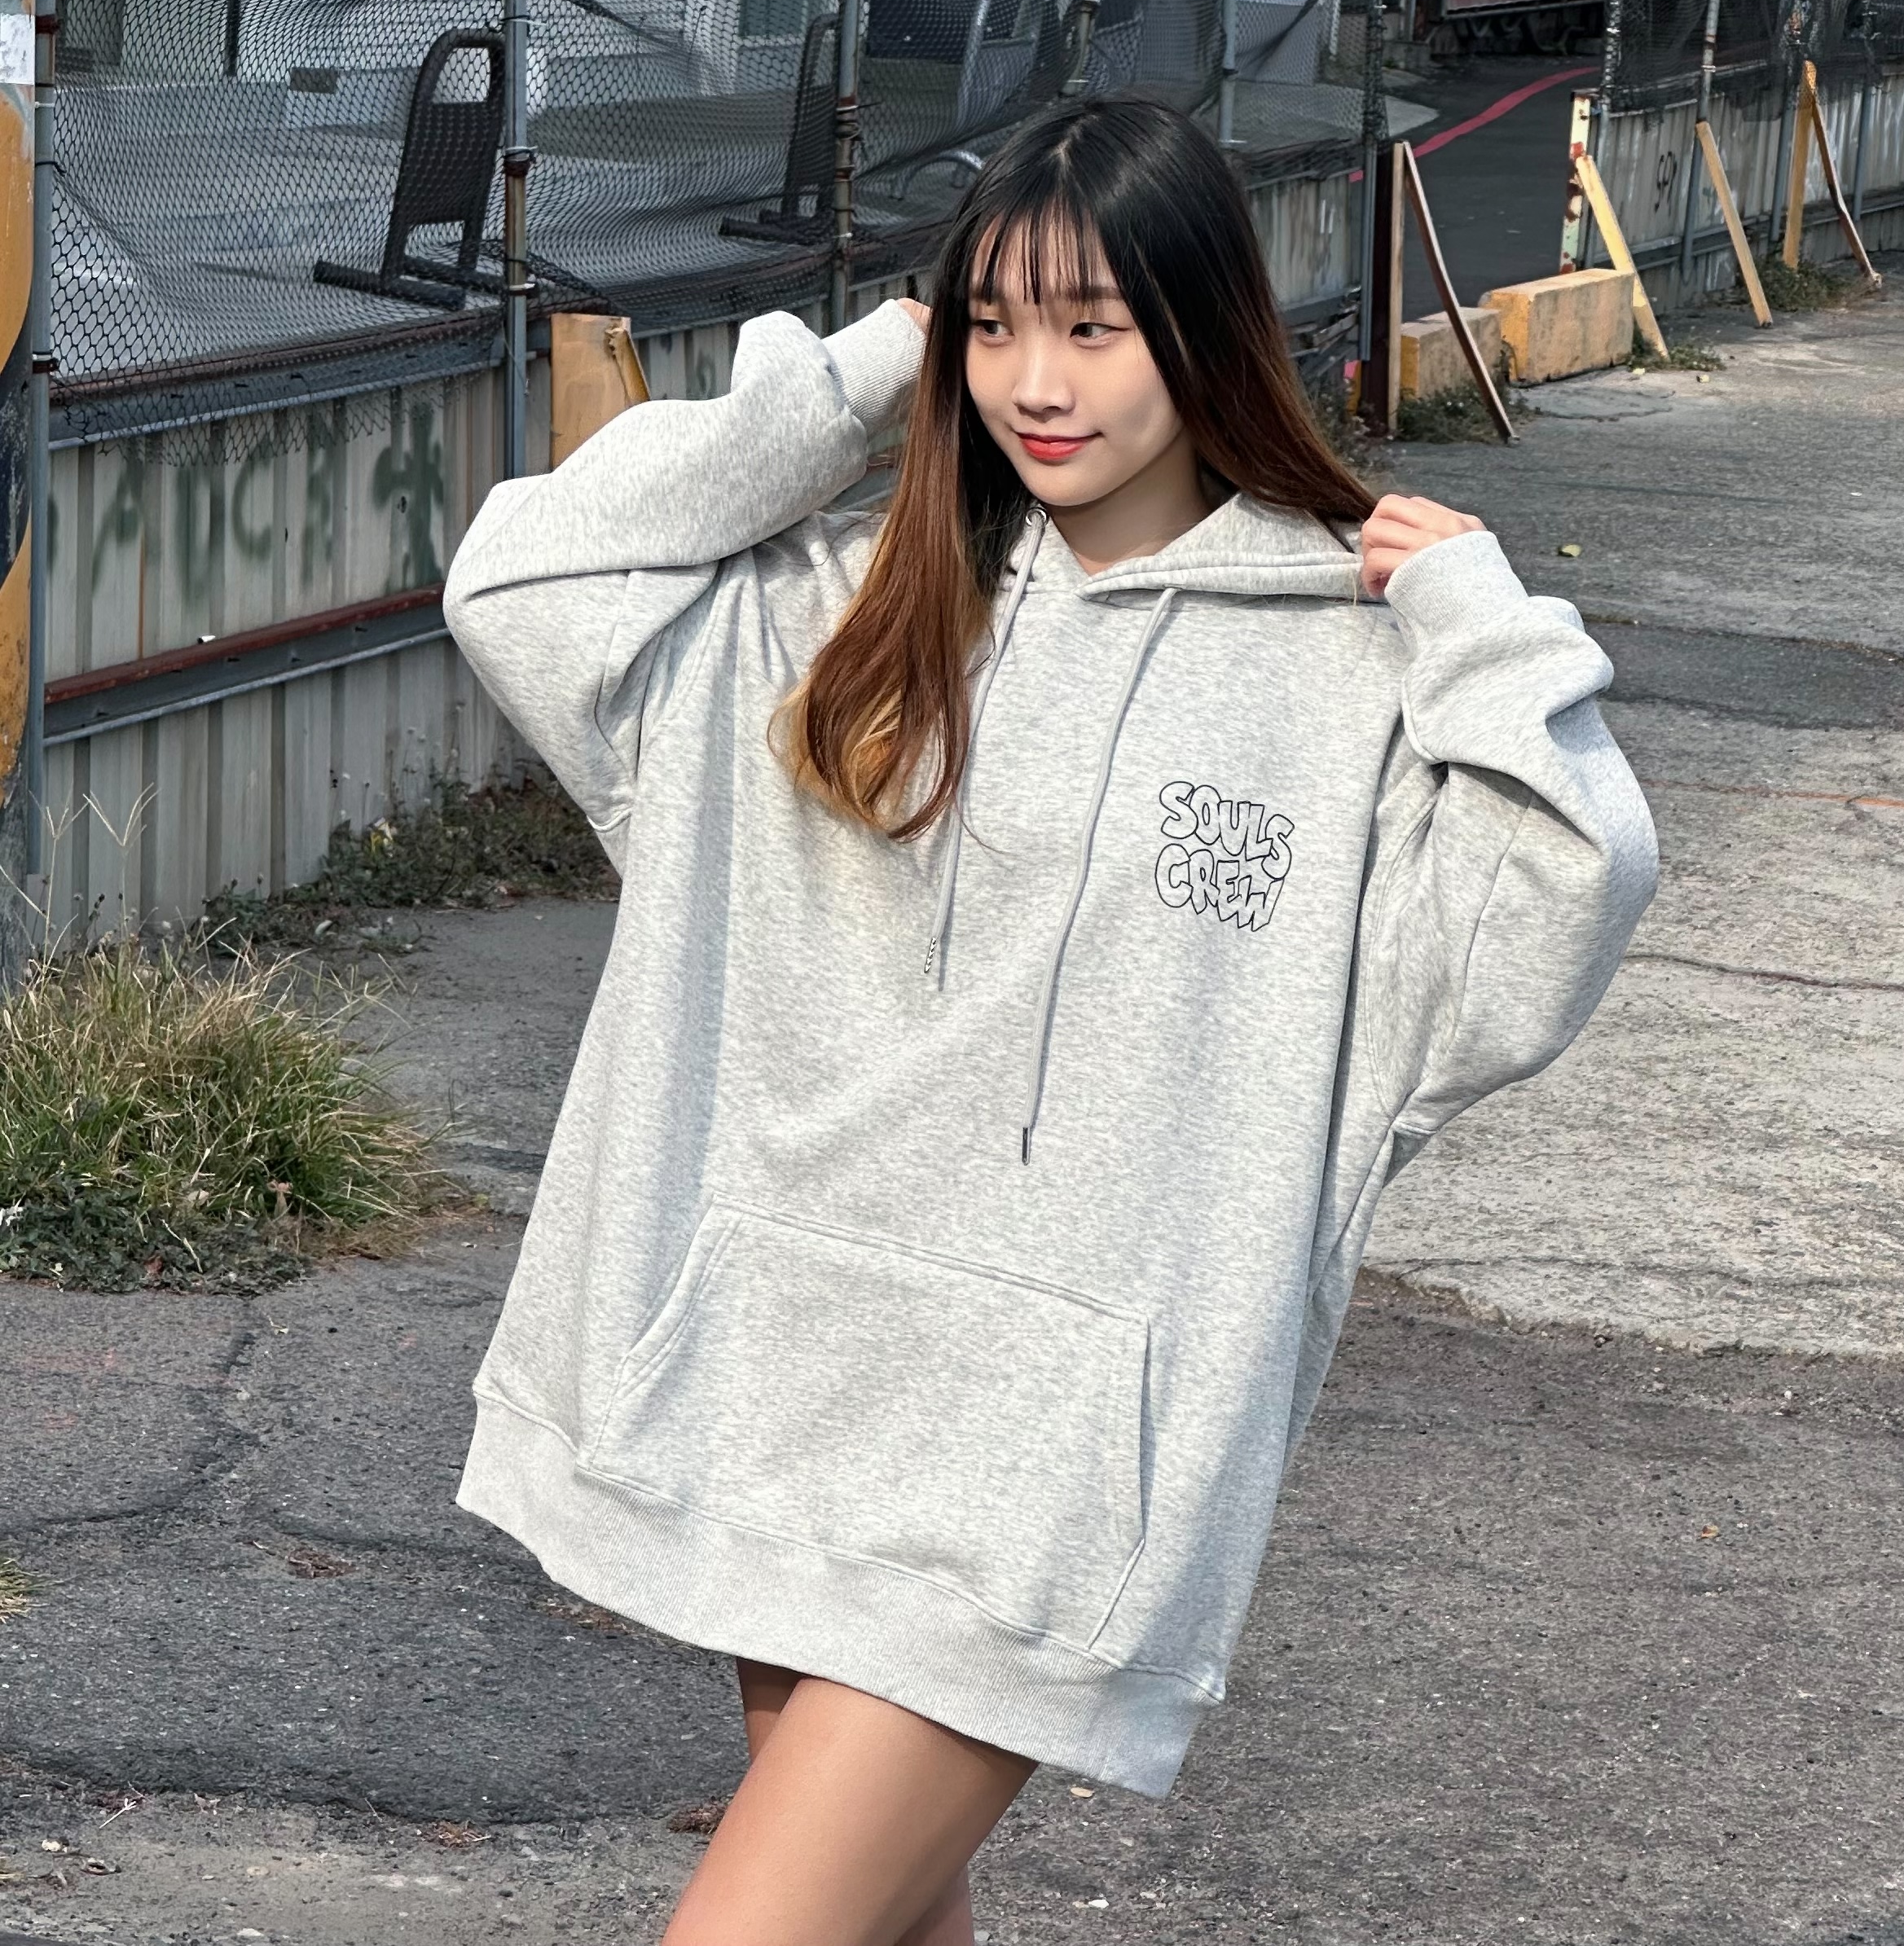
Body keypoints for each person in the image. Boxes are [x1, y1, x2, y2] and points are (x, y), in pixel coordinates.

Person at [442, 94, 1658, 1946]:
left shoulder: (1345, 670)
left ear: (1203, 327)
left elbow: (1551, 907)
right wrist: (861, 376)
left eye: (1093, 327)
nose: (1036, 383)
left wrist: (1476, 626)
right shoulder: (854, 605)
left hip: (1047, 1472)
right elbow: (523, 578)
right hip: (789, 1383)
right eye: (993, 326)